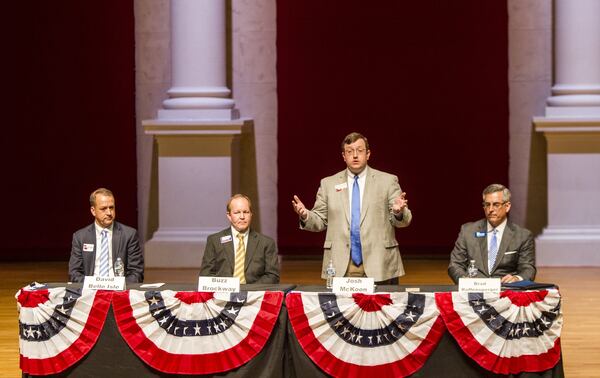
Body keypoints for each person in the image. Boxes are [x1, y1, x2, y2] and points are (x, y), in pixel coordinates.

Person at [292, 132, 412, 284]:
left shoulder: (388, 181)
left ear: (368, 154)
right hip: (341, 265)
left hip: (380, 263)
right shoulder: (328, 184)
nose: (355, 155)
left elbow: (404, 221)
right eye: (349, 151)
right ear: (343, 156)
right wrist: (305, 216)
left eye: (360, 151)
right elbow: (320, 221)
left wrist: (398, 212)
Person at [448, 183, 536, 284]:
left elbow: (528, 268)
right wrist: (465, 281)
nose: (490, 209)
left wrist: (517, 278)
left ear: (507, 206)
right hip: (474, 289)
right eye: (487, 205)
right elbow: (455, 264)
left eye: (496, 205)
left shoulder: (523, 236)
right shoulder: (468, 231)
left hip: (505, 290)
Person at [69, 188, 144, 283]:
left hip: (119, 291)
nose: (109, 213)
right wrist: (93, 285)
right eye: (103, 209)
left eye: (111, 207)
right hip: (90, 293)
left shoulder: (129, 235)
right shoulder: (80, 237)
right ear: (93, 211)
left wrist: (117, 286)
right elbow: (74, 273)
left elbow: (137, 273)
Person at [200, 194, 280, 284]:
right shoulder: (214, 241)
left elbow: (273, 276)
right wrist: (226, 287)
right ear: (229, 216)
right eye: (237, 212)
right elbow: (205, 275)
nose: (242, 216)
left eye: (246, 212)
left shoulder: (266, 243)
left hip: (255, 294)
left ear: (251, 214)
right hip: (223, 294)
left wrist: (249, 291)